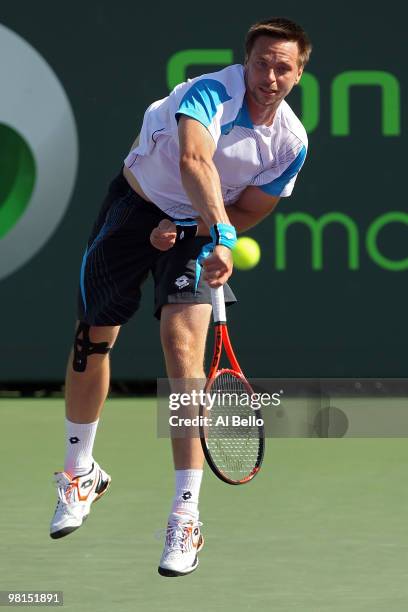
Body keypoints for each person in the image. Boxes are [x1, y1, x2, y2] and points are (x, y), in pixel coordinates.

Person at [49, 16, 312, 577]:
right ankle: (80, 471)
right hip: (136, 206)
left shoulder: (290, 141)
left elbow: (252, 211)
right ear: (247, 62)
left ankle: (185, 515)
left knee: (181, 349)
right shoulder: (208, 92)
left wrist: (201, 233)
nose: (270, 75)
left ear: (299, 73)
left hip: (196, 232)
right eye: (261, 63)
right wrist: (215, 233)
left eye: (282, 67)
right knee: (91, 338)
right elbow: (194, 161)